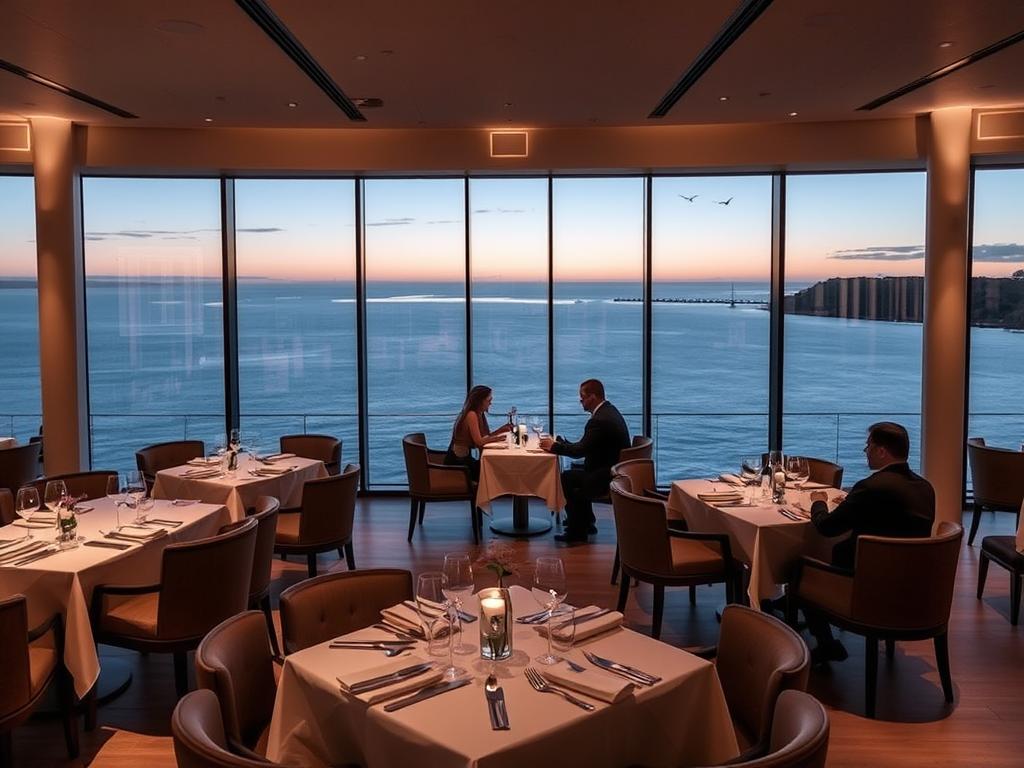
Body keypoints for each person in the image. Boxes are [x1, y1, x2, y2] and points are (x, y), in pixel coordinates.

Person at [803, 421, 936, 664]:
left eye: (868, 446)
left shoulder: (871, 488)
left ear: (882, 451)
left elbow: (826, 527)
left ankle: (826, 644)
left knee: (799, 570)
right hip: (912, 587)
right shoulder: (925, 488)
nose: (865, 451)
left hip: (867, 587)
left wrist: (818, 502)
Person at [539, 379, 630, 543]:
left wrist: (554, 447)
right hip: (615, 469)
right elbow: (587, 445)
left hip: (606, 475)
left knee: (565, 479)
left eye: (582, 397)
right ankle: (585, 521)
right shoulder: (609, 411)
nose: (580, 401)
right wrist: (562, 444)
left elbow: (579, 451)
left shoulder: (598, 421)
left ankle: (577, 531)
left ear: (593, 397)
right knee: (569, 476)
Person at [444, 385, 511, 480]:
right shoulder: (471, 415)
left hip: (465, 461)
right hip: (459, 466)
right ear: (480, 401)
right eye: (488, 400)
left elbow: (484, 438)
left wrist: (500, 430)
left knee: (498, 470)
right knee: (497, 472)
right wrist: (498, 438)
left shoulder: (479, 413)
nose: (490, 403)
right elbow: (479, 441)